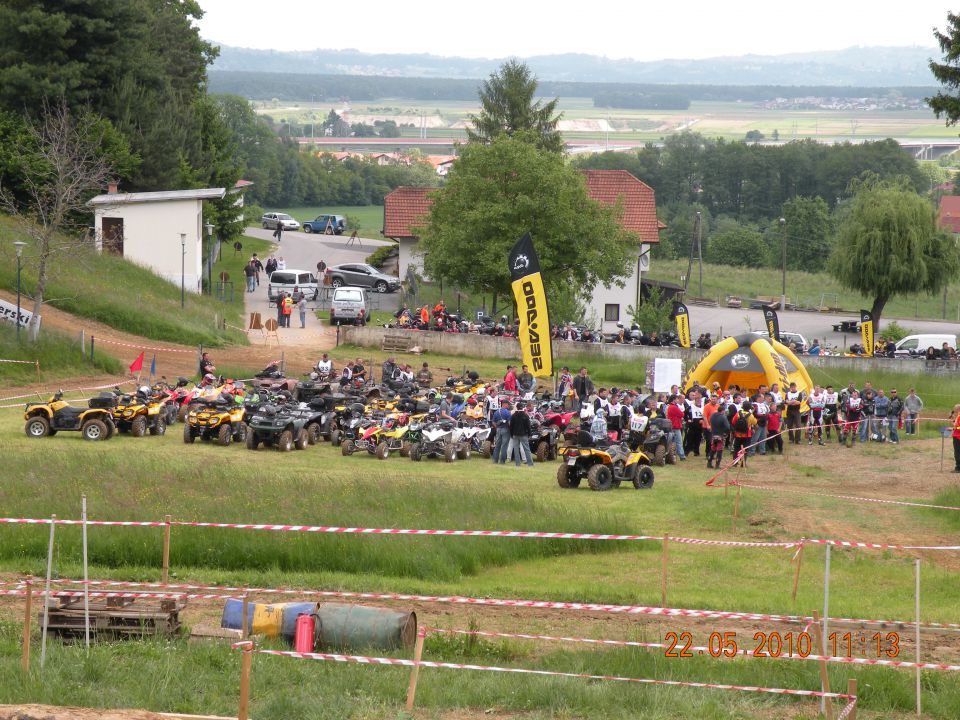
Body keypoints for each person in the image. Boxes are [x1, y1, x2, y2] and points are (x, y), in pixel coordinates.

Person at [707, 397, 731, 469]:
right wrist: (725, 433)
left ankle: (709, 462)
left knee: (713, 449)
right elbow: (727, 427)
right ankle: (717, 465)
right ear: (723, 411)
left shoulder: (712, 416)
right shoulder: (723, 417)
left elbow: (710, 422)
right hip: (720, 435)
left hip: (713, 434)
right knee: (719, 450)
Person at [509, 400, 534, 467]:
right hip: (523, 434)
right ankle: (530, 464)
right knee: (527, 449)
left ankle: (517, 464)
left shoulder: (513, 415)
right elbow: (528, 426)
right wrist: (529, 434)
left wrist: (511, 434)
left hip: (515, 434)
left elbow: (511, 426)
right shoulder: (525, 415)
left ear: (516, 407)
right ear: (522, 407)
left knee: (516, 449)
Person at [731, 401, 756, 466]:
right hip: (747, 435)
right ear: (749, 408)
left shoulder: (738, 413)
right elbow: (755, 423)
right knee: (745, 449)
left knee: (736, 448)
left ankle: (735, 462)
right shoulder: (751, 415)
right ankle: (743, 463)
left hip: (738, 434)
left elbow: (733, 421)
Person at [666, 394, 687, 461]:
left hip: (672, 426)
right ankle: (682, 456)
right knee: (679, 442)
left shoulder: (670, 407)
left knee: (673, 442)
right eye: (677, 399)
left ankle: (672, 455)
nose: (678, 400)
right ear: (674, 399)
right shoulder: (674, 407)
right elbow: (681, 414)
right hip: (675, 426)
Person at [952, 404, 960, 472]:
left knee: (957, 453)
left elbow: (959, 427)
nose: (954, 410)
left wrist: (955, 428)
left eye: (955, 409)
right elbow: (956, 425)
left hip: (958, 437)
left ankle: (958, 468)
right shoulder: (958, 417)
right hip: (956, 436)